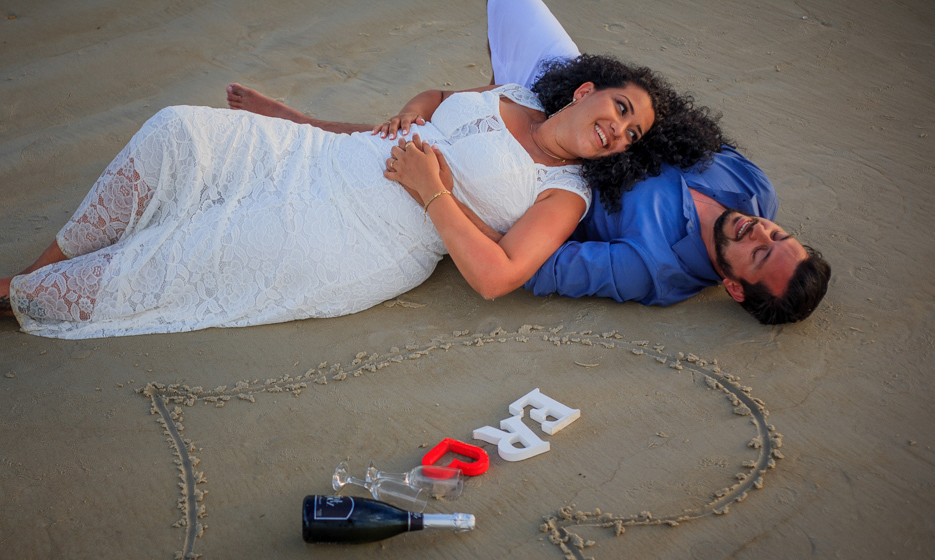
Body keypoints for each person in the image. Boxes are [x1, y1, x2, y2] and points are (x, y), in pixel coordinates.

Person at [0, 48, 715, 338]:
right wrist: (300, 119)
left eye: (632, 134)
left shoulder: (562, 191)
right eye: (620, 110)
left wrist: (436, 196)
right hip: (326, 162)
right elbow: (408, 127)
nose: (618, 131)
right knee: (180, 132)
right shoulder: (508, 98)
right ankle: (36, 277)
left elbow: (498, 277)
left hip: (364, 239)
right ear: (588, 91)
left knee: (181, 259)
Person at [231, 0, 831, 324]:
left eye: (757, 252)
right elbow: (678, 128)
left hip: (551, 170)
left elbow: (530, 267)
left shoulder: (653, 272)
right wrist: (610, 114)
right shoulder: (755, 189)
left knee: (439, 144)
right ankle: (496, 91)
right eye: (777, 234)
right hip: (590, 114)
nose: (758, 228)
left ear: (732, 286)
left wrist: (444, 188)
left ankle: (303, 126)